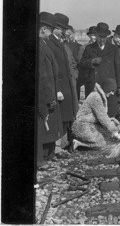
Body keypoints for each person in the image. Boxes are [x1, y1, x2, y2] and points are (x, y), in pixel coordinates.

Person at [46, 13, 78, 151]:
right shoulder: (50, 42)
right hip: (60, 86)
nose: (64, 31)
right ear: (56, 27)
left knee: (67, 116)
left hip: (67, 86)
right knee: (61, 117)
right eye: (61, 28)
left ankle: (64, 145)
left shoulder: (60, 42)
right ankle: (59, 147)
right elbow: (52, 68)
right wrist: (57, 88)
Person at [80, 22, 120, 118]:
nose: (102, 39)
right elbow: (82, 64)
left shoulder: (113, 49)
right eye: (100, 37)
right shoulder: (89, 48)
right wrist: (92, 61)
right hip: (94, 85)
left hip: (109, 85)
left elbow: (118, 67)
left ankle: (110, 131)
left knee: (110, 112)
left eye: (104, 37)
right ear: (96, 35)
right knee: (94, 113)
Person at [37, 12, 64, 167]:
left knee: (49, 125)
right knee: (44, 124)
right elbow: (43, 76)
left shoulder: (44, 43)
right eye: (50, 29)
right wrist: (49, 97)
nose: (52, 32)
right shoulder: (39, 45)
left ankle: (48, 154)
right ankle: (43, 158)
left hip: (50, 90)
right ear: (43, 29)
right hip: (46, 93)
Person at [70, 79, 120, 151]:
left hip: (87, 124)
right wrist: (114, 131)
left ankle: (82, 144)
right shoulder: (96, 97)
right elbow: (103, 117)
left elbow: (100, 117)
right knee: (103, 143)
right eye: (112, 90)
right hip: (82, 126)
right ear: (107, 88)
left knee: (107, 139)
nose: (112, 93)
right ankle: (78, 143)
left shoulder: (98, 95)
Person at [76, 26, 97, 101]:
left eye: (96, 35)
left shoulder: (101, 47)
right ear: (89, 36)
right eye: (93, 35)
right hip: (88, 76)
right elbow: (80, 62)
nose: (95, 37)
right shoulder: (83, 47)